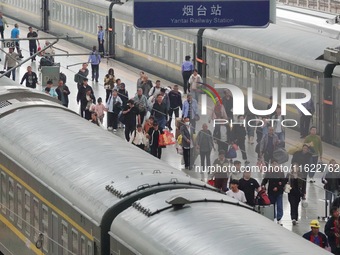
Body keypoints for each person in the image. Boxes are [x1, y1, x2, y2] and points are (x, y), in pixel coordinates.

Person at [261, 160, 287, 225]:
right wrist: (263, 184)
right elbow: (265, 180)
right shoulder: (269, 172)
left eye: (275, 164)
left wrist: (278, 187)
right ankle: (273, 217)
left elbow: (283, 182)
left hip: (279, 192)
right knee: (272, 205)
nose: (274, 165)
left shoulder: (281, 172)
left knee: (279, 205)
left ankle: (279, 218)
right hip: (271, 192)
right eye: (273, 164)